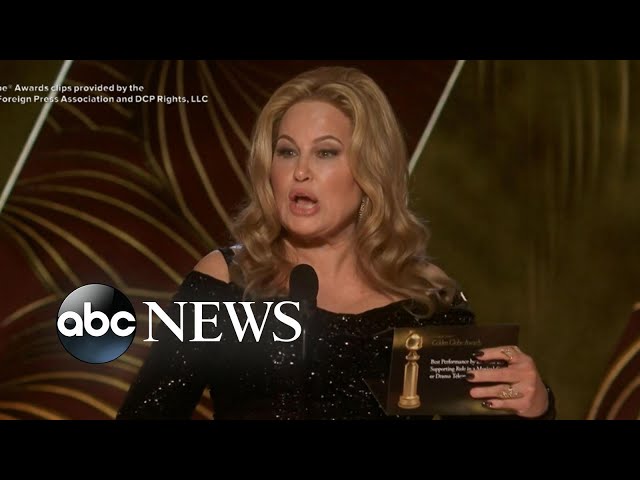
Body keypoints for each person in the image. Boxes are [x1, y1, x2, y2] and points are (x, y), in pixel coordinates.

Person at [117, 66, 555, 420]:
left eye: (325, 152)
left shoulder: (426, 299)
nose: (300, 171)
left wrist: (536, 405)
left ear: (369, 171)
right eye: (287, 151)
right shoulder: (228, 280)